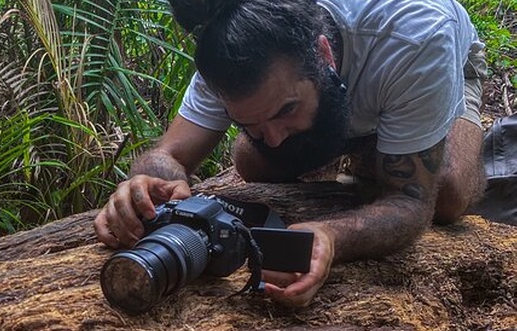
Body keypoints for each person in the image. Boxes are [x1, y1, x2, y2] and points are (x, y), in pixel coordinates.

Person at [94, 0, 488, 307]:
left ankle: (391, 142)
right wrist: (146, 182)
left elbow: (409, 201)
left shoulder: (417, 36)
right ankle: (369, 144)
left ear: (325, 55)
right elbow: (169, 154)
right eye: (250, 123)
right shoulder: (229, 49)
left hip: (435, 65)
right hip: (349, 98)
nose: (277, 139)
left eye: (286, 111)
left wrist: (333, 236)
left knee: (448, 193)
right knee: (252, 161)